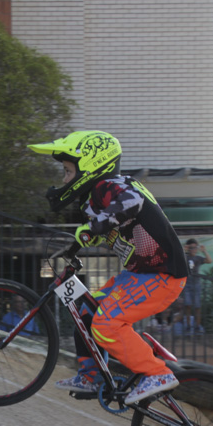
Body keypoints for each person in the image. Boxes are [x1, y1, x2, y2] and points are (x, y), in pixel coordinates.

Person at [28, 130, 187, 405]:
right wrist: (81, 241)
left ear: (90, 165)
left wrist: (93, 228)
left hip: (162, 275)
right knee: (87, 309)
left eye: (67, 172)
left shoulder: (110, 186)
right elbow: (113, 228)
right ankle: (92, 376)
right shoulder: (94, 198)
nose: (64, 179)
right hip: (138, 275)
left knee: (106, 324)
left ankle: (157, 373)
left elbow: (131, 204)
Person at [180, 238, 209, 334]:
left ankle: (197, 325)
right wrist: (184, 250)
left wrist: (204, 251)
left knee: (197, 306)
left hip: (196, 284)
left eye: (195, 248)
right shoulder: (185, 257)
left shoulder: (198, 258)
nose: (193, 250)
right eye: (191, 248)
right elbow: (178, 259)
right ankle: (188, 325)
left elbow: (209, 260)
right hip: (187, 284)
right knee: (187, 305)